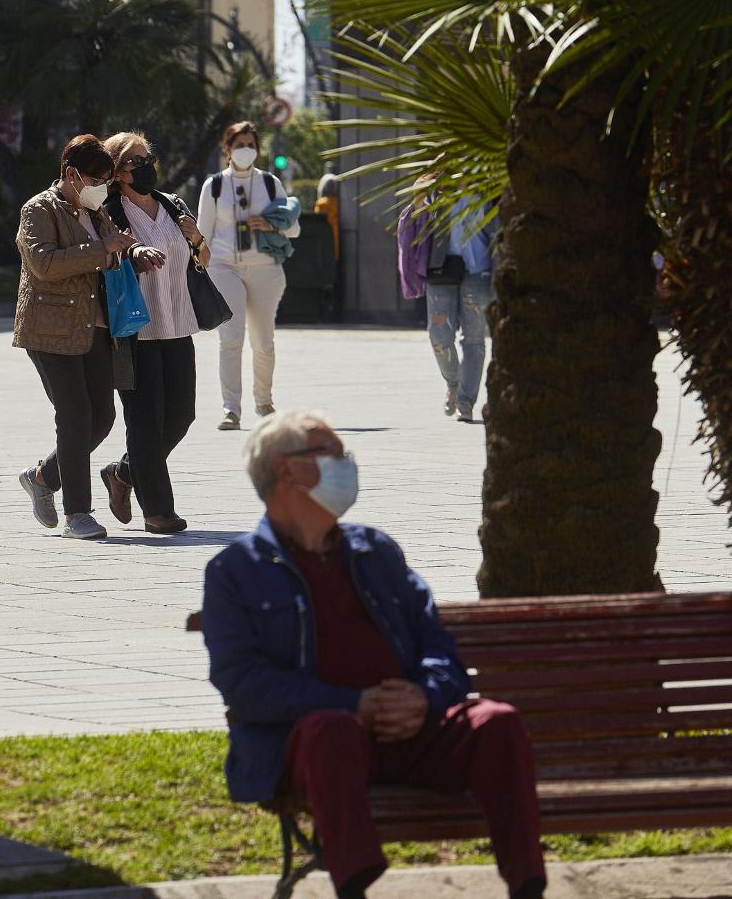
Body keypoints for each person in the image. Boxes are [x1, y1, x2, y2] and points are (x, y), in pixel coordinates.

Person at [201, 410, 546, 899]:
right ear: (285, 470)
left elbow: (438, 647)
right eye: (334, 454)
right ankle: (355, 887)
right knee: (332, 730)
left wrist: (421, 698)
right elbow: (244, 683)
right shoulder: (234, 570)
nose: (348, 465)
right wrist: (353, 705)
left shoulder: (376, 550)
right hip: (316, 748)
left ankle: (528, 887)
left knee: (496, 721)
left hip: (413, 732)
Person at [13, 135, 142, 541]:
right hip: (50, 329)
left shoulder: (97, 210)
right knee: (74, 416)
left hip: (96, 328)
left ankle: (42, 476)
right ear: (70, 174)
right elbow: (44, 263)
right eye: (96, 179)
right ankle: (78, 514)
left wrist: (128, 251)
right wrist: (101, 248)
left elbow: (106, 254)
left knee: (102, 417)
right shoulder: (39, 209)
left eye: (106, 180)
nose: (103, 188)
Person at [99, 131, 210, 536]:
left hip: (178, 322)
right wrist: (133, 252)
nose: (143, 166)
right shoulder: (109, 210)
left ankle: (123, 472)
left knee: (181, 415)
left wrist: (196, 236)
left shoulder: (170, 204)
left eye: (147, 159)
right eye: (133, 161)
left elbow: (203, 257)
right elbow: (107, 253)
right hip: (135, 327)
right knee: (145, 421)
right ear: (116, 172)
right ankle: (158, 511)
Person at [196, 120, 301, 430]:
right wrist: (198, 266)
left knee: (263, 342)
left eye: (251, 145)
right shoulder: (213, 185)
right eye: (239, 145)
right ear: (227, 148)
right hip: (224, 266)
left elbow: (294, 227)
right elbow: (203, 232)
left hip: (265, 267)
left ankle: (264, 400)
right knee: (231, 339)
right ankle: (231, 409)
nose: (245, 150)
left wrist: (271, 225)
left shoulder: (270, 184)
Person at [398, 185, 497, 421]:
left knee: (474, 339)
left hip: (478, 270)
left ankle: (465, 401)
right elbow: (411, 222)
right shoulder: (437, 190)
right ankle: (454, 382)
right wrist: (420, 197)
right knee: (439, 336)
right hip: (441, 268)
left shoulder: (488, 189)